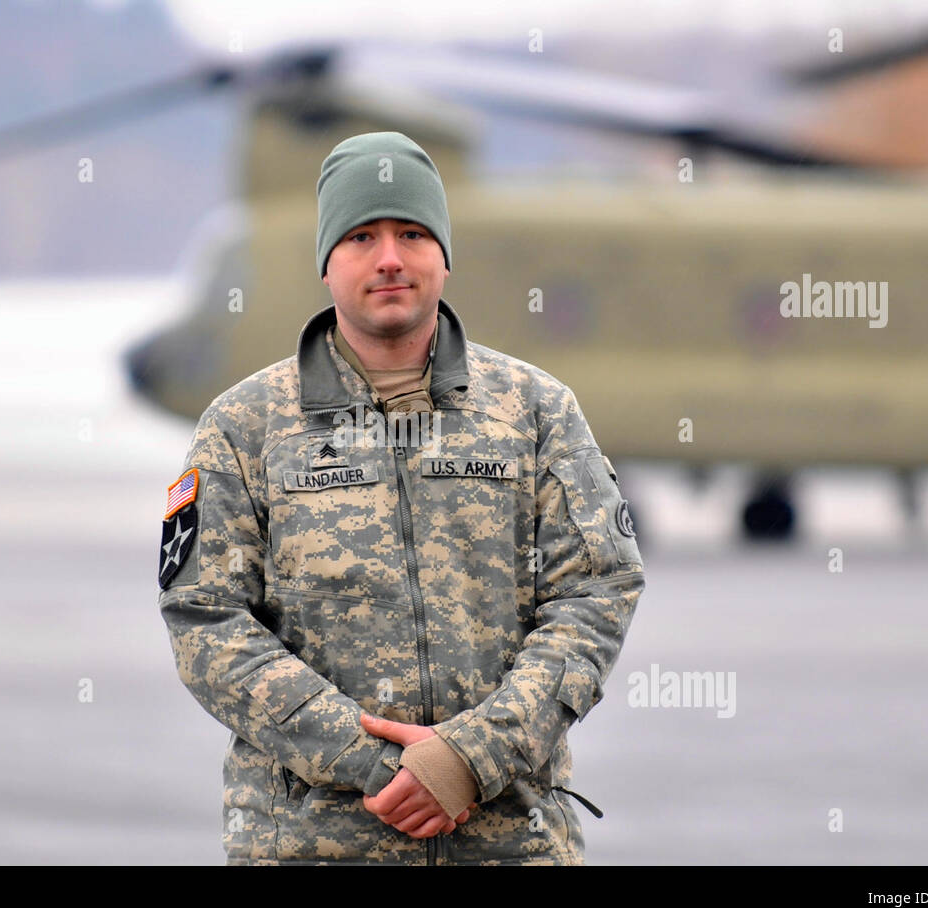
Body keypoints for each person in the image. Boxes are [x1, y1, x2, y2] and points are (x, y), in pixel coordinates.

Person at [157, 130, 645, 865]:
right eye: (360, 236)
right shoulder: (243, 428)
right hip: (315, 846)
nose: (389, 257)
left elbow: (598, 589)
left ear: (443, 255)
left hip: (508, 842)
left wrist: (474, 756)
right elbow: (206, 621)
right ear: (327, 262)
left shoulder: (537, 411)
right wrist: (372, 761)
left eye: (412, 233)